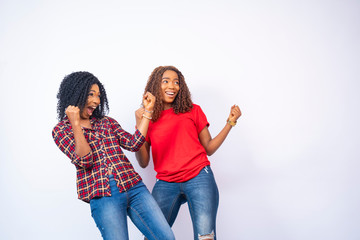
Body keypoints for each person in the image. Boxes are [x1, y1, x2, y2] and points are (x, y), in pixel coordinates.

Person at [52, 71, 175, 240]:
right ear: (76, 94)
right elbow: (86, 160)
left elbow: (134, 143)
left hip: (134, 187)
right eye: (91, 94)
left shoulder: (107, 122)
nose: (96, 101)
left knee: (166, 237)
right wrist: (75, 124)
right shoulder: (61, 130)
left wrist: (148, 111)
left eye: (98, 95)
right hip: (103, 195)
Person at [135, 66, 242, 240]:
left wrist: (230, 122)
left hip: (199, 176)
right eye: (166, 81)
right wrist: (140, 122)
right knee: (152, 236)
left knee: (205, 237)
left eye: (176, 82)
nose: (172, 86)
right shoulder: (148, 118)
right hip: (165, 182)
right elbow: (143, 162)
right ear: (155, 85)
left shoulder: (193, 110)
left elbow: (209, 148)